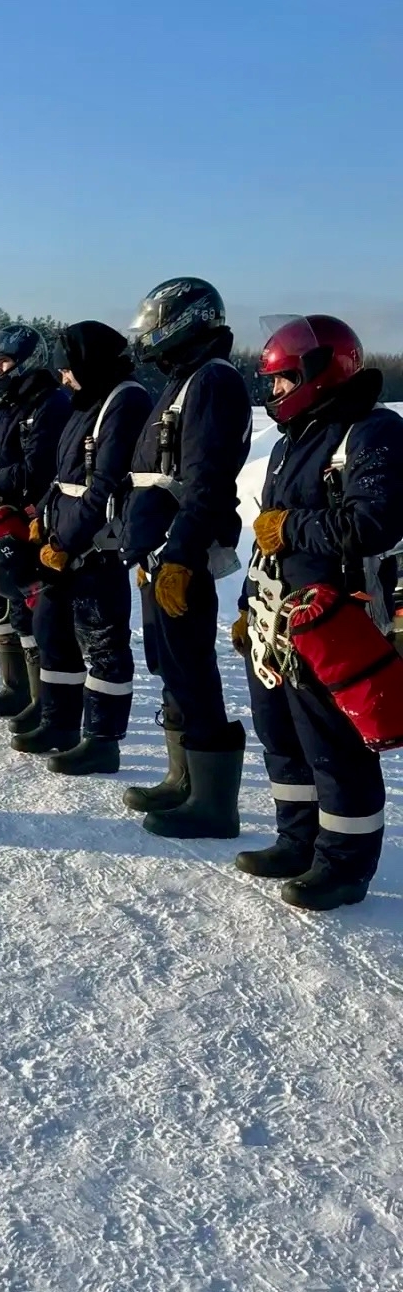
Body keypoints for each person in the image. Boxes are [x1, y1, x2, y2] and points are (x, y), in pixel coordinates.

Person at [238, 315, 403, 910]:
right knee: (282, 737)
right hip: (277, 619)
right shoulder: (292, 439)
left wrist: (293, 527)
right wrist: (247, 605)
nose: (275, 390)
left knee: (335, 748)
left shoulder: (373, 431)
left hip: (334, 620)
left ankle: (344, 866)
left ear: (319, 371)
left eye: (283, 379)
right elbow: (266, 536)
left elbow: (372, 523)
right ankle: (298, 841)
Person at [118, 277, 253, 836]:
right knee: (170, 665)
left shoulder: (213, 381)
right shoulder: (184, 380)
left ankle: (213, 804)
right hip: (162, 550)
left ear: (183, 323)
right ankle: (184, 779)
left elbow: (207, 481)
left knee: (193, 668)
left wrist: (180, 554)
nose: (148, 337)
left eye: (155, 325)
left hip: (183, 551)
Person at [14, 323, 149, 770]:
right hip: (63, 540)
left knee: (103, 644)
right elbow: (64, 478)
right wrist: (41, 522)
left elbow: (104, 485)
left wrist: (65, 541)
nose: (64, 378)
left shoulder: (125, 401)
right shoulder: (85, 402)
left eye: (68, 368)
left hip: (96, 548)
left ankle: (103, 740)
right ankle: (59, 723)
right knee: (52, 630)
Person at [0, 326, 71, 722]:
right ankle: (21, 690)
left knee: (36, 610)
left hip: (35, 519)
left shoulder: (49, 404)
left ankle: (46, 702)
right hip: (2, 517)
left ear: (27, 362)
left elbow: (35, 469)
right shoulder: (4, 406)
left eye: (4, 361)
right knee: (9, 606)